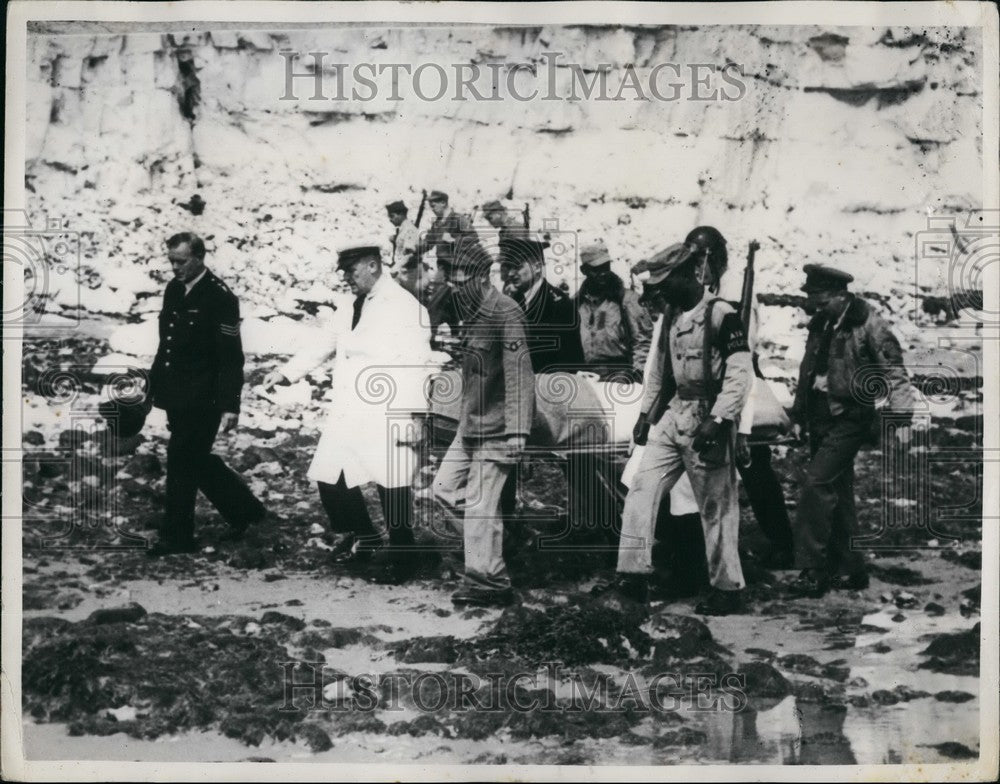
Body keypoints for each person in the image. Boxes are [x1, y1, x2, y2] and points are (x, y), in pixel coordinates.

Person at [263, 245, 435, 583]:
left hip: (388, 408)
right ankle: (365, 536)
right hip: (350, 409)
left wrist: (416, 415)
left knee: (392, 485)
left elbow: (418, 362)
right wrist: (286, 373)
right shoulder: (349, 305)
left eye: (351, 270)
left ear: (372, 265)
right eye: (344, 271)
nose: (346, 278)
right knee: (330, 475)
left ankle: (405, 557)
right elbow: (323, 343)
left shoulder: (404, 307)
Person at [598, 242, 754, 615]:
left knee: (716, 506)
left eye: (665, 284)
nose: (661, 293)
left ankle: (728, 589)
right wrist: (645, 417)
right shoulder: (671, 316)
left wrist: (719, 420)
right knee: (642, 488)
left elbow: (740, 375)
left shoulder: (721, 315)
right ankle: (632, 576)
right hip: (674, 413)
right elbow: (660, 370)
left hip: (708, 415)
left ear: (686, 275)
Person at [787, 264, 917, 597]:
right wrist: (798, 414)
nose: (815, 304)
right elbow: (808, 369)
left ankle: (812, 570)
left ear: (840, 295)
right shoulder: (821, 322)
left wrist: (902, 420)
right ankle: (851, 568)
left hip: (851, 418)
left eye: (821, 298)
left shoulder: (869, 323)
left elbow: (895, 371)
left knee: (816, 482)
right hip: (820, 415)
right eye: (813, 298)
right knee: (838, 488)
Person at [428, 243, 535, 607]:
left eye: (461, 283)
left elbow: (520, 373)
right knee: (443, 489)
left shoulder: (506, 312)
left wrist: (518, 430)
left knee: (479, 505)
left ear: (481, 277)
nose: (456, 290)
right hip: (471, 423)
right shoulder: (474, 312)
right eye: (454, 284)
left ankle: (490, 582)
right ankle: (495, 542)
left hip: (500, 426)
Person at [146, 232, 265, 557]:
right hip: (177, 395)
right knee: (194, 458)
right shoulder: (174, 290)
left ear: (199, 258)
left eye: (181, 261)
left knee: (181, 459)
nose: (175, 268)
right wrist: (153, 386)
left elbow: (230, 357)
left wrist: (230, 405)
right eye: (171, 261)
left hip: (205, 398)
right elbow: (167, 344)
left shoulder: (220, 297)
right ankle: (246, 510)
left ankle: (177, 536)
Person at [686, 225, 795, 568]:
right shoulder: (713, 288)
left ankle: (782, 542)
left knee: (754, 467)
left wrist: (741, 421)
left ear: (715, 258)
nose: (697, 269)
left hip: (739, 383)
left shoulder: (735, 292)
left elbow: (740, 350)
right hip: (712, 385)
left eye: (700, 260)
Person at [499, 235, 585, 374]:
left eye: (517, 267)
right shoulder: (515, 300)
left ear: (537, 267)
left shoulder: (558, 305)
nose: (510, 273)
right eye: (509, 267)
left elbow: (568, 361)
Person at [576, 239, 653, 382]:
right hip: (585, 377)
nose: (603, 273)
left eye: (605, 267)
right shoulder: (576, 303)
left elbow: (643, 341)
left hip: (619, 376)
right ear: (584, 270)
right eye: (596, 269)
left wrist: (636, 374)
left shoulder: (628, 300)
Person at [422, 190, 479, 267]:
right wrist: (414, 248)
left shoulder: (458, 218)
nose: (432, 209)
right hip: (443, 265)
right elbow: (428, 242)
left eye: (433, 206)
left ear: (443, 203)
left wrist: (453, 240)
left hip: (460, 267)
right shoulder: (436, 224)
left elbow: (473, 237)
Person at [386, 200, 420, 271]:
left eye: (392, 216)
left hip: (407, 271)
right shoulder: (403, 229)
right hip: (401, 269)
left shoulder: (409, 229)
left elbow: (409, 254)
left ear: (401, 214)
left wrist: (396, 268)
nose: (390, 220)